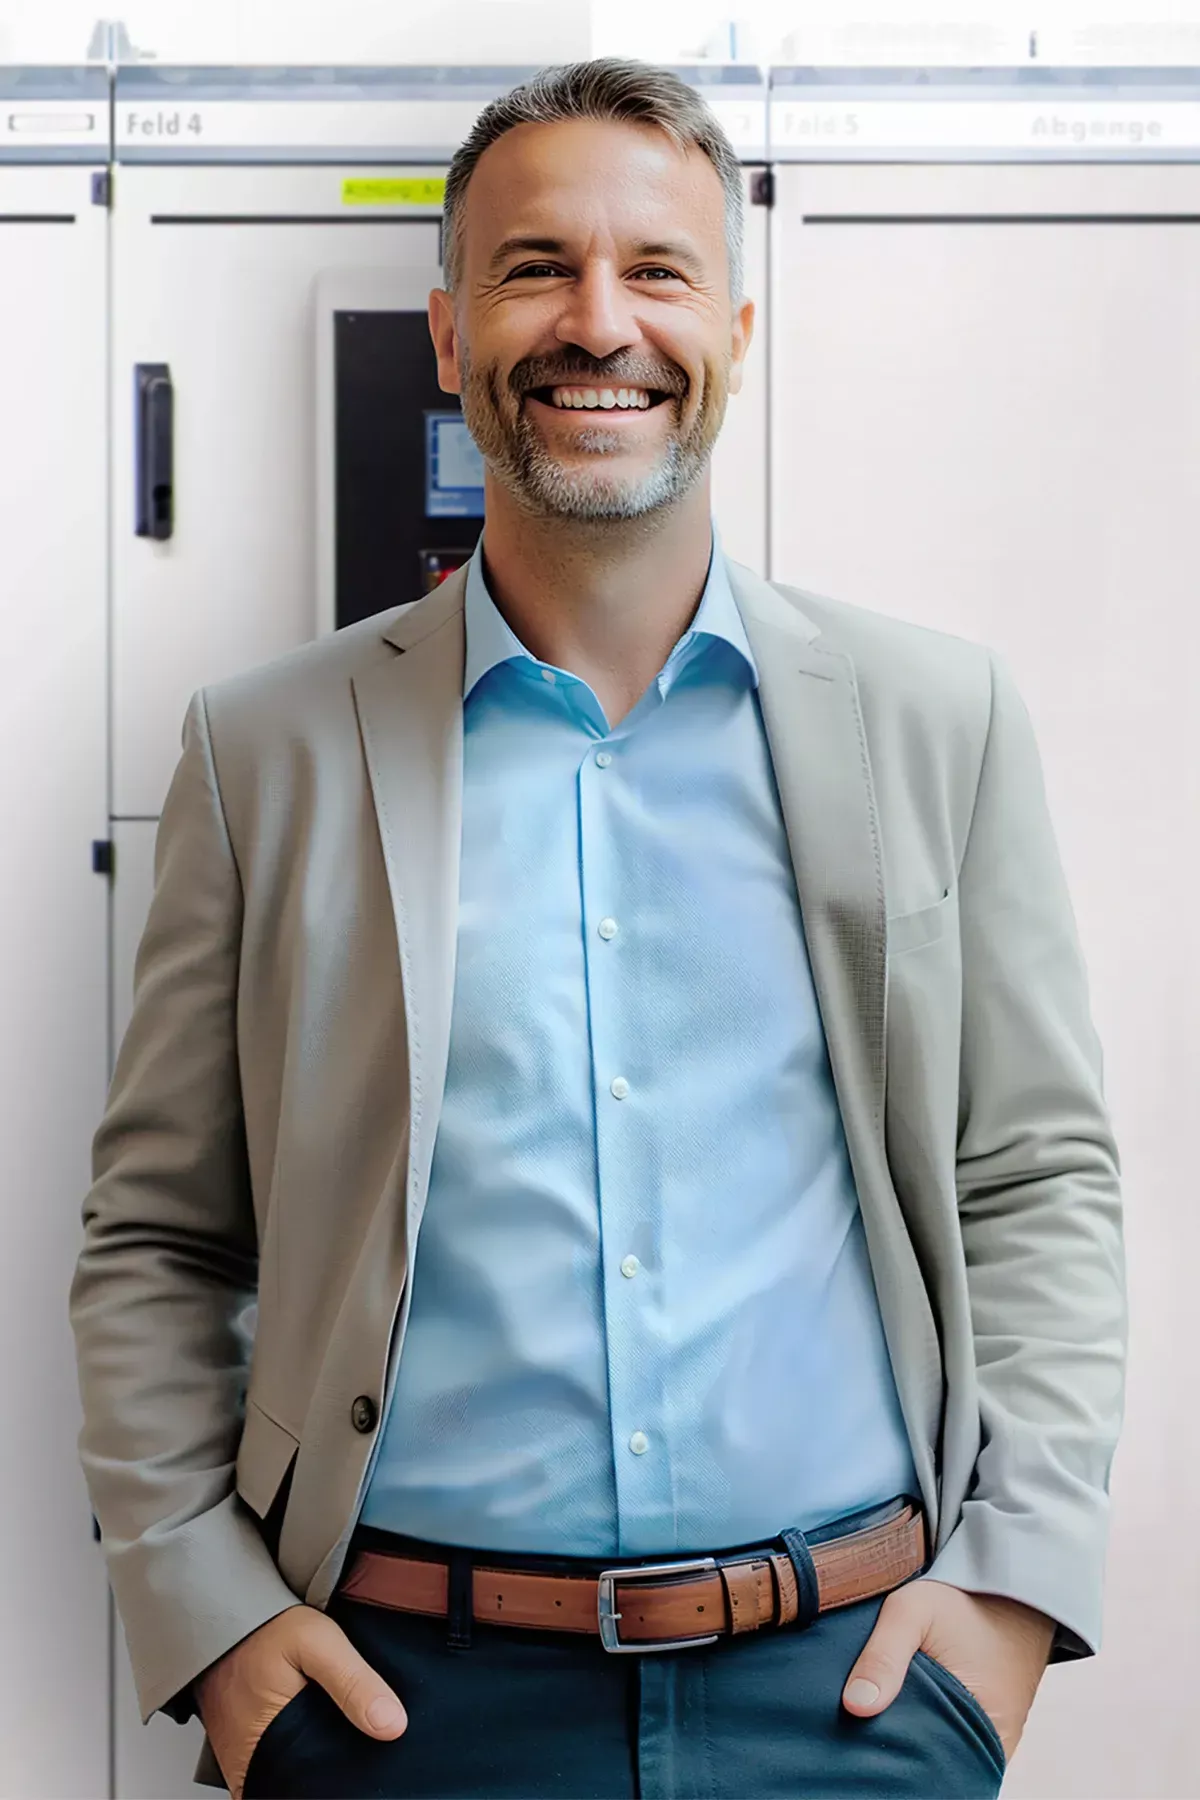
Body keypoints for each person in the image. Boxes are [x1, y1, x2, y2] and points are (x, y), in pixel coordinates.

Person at [69, 55, 1127, 1800]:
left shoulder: (938, 721)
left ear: (737, 322)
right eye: (533, 267)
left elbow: (1035, 1181)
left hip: (850, 1706)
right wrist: (211, 1621)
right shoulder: (262, 751)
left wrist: (1007, 1602)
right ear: (446, 331)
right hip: (400, 1714)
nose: (597, 322)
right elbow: (163, 1239)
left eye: (656, 271)